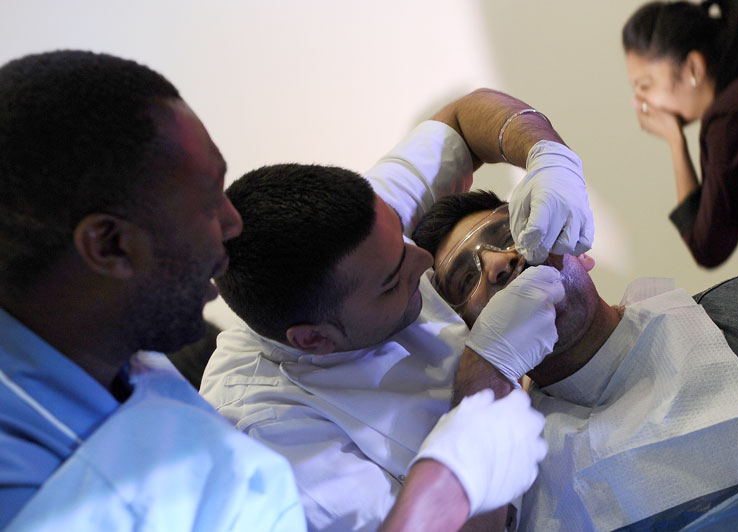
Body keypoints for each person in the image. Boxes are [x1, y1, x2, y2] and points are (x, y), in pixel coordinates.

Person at [0, 51, 548, 532]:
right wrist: (448, 487)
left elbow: (459, 123)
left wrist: (547, 155)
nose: (232, 226)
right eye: (206, 204)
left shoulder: (121, 353)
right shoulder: (30, 489)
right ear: (110, 244)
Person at [200, 88, 594, 531]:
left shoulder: (359, 235)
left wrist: (548, 155)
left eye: (400, 239)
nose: (423, 262)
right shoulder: (274, 438)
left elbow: (462, 119)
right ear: (314, 338)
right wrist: (487, 373)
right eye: (392, 281)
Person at [412, 189, 738, 531]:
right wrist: (485, 371)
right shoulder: (519, 491)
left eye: (509, 235)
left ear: (577, 247)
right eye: (466, 280)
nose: (499, 263)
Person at [623, 0, 738, 267]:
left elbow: (708, 248)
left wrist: (675, 142)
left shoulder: (732, 117)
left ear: (693, 68)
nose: (640, 102)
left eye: (645, 85)